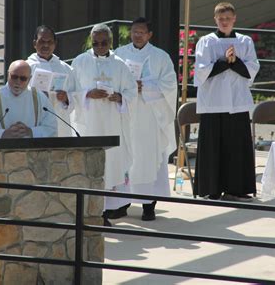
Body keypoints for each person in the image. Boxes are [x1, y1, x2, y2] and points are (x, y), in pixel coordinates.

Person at [70, 23, 137, 225]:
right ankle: (90, 211)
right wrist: (87, 94)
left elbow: (132, 92)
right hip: (88, 124)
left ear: (110, 42)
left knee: (110, 165)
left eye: (104, 42)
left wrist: (118, 97)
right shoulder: (80, 62)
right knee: (90, 165)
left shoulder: (120, 65)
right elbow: (70, 91)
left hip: (111, 122)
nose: (100, 46)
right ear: (91, 41)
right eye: (96, 42)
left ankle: (105, 212)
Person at [193, 2, 260, 201]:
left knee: (237, 146)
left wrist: (234, 62)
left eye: (228, 19)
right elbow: (201, 70)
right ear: (215, 19)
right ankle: (211, 188)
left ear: (234, 19)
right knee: (212, 147)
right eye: (221, 19)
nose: (224, 22)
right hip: (213, 101)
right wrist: (225, 61)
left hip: (237, 101)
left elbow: (252, 68)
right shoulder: (206, 42)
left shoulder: (245, 41)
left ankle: (237, 188)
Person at [114, 17, 177, 221]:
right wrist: (127, 86)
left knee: (148, 158)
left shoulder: (160, 57)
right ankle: (122, 202)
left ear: (150, 35)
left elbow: (169, 85)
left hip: (149, 115)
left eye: (141, 32)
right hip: (126, 113)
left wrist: (145, 86)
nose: (137, 35)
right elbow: (113, 78)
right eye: (134, 31)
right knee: (126, 157)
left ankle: (149, 204)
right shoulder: (120, 54)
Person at [0, 60, 57, 140]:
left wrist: (30, 132)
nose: (18, 81)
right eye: (14, 77)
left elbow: (52, 129)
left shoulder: (39, 97)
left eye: (23, 78)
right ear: (8, 74)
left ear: (29, 78)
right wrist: (4, 134)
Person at [26, 25, 76, 136]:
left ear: (55, 44)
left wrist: (67, 97)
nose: (46, 45)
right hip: (35, 120)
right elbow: (16, 92)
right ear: (35, 43)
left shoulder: (65, 68)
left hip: (60, 120)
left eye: (50, 42)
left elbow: (78, 94)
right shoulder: (26, 67)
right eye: (42, 41)